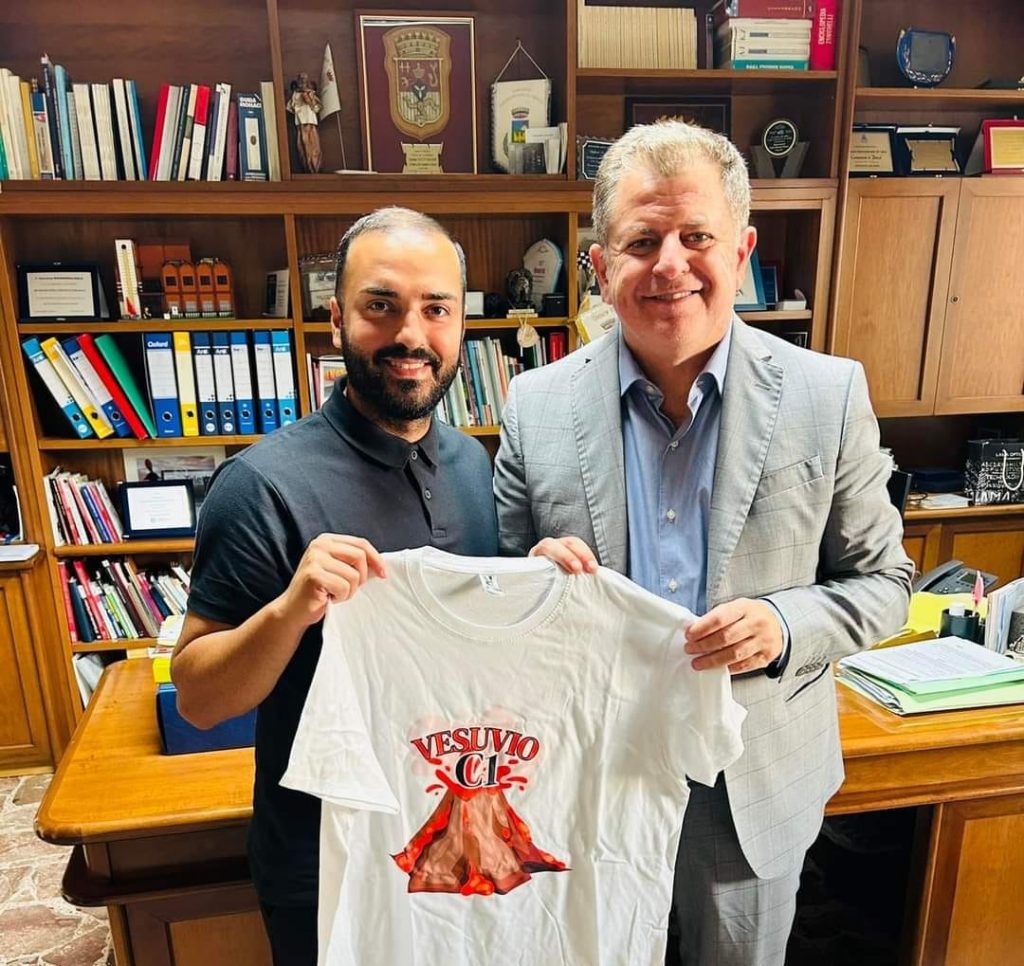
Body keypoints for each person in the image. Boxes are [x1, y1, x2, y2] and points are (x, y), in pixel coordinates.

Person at [493, 121, 914, 966]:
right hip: (590, 783)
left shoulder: (826, 395)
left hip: (751, 792)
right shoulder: (533, 406)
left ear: (743, 248)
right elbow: (501, 597)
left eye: (697, 237)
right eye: (642, 241)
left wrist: (785, 624)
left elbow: (886, 583)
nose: (670, 265)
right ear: (602, 264)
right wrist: (531, 586)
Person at [171, 208, 501, 964]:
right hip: (324, 866)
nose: (410, 335)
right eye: (380, 305)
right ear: (335, 320)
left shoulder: (476, 468)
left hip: (455, 848)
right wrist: (292, 610)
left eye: (436, 309)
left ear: (460, 326)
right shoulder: (258, 485)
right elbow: (199, 696)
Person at [287, 72, 322, 173]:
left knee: (314, 146)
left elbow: (317, 108)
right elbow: (291, 107)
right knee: (302, 146)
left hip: (311, 123)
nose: (303, 81)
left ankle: (315, 167)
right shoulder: (295, 94)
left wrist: (310, 100)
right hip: (301, 124)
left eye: (304, 79)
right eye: (301, 79)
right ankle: (307, 167)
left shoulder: (311, 93)